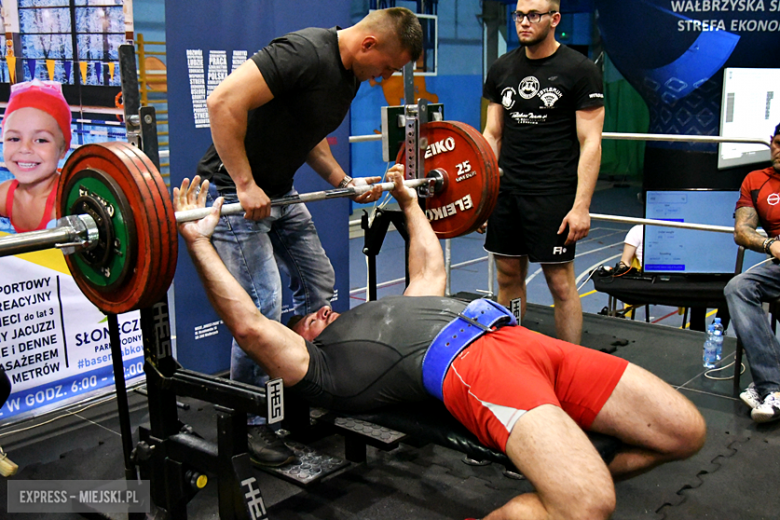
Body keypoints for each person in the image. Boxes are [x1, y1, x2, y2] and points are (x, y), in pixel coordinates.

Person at [175, 171, 706, 520]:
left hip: (523, 341)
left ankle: (555, 469)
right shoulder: (319, 367)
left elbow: (430, 266)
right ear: (300, 341)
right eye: (308, 318)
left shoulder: (392, 309)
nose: (320, 311)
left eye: (319, 307)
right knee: (588, 504)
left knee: (685, 432)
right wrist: (199, 243)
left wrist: (408, 200)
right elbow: (248, 325)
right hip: (473, 366)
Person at [194, 8, 422, 465]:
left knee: (319, 288)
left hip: (279, 193)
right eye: (388, 68)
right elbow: (222, 102)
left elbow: (308, 132)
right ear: (369, 45)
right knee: (262, 310)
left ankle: (295, 389)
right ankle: (253, 421)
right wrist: (243, 182)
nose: (384, 78)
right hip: (233, 195)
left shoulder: (350, 74)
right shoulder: (304, 52)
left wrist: (342, 180)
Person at [481, 0, 605, 344]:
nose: (523, 22)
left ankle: (570, 365)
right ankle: (514, 351)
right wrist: (485, 195)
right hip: (507, 193)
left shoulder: (580, 70)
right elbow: (493, 134)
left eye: (533, 15)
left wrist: (581, 206)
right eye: (519, 15)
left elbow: (591, 142)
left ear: (555, 19)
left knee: (561, 284)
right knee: (507, 277)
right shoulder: (502, 68)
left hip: (553, 193)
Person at [724, 122, 780, 424]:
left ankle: (767, 386)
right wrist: (771, 244)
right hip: (778, 261)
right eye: (778, 142)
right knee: (738, 287)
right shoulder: (755, 180)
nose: (779, 150)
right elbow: (742, 231)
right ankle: (774, 387)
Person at [0, 80, 71, 233]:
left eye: (41, 140)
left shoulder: (65, 201)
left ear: (63, 149)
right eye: (14, 139)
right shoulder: (7, 194)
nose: (25, 149)